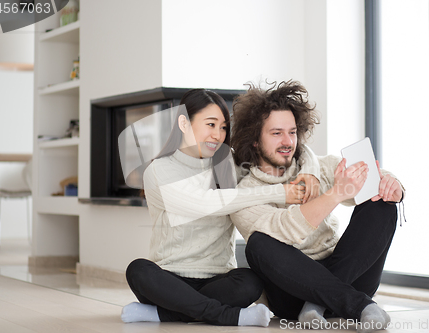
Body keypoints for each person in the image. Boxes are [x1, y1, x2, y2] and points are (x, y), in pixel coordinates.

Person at [121, 88, 321, 327]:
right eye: (210, 124)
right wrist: (280, 192)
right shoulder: (159, 170)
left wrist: (310, 173)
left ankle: (163, 314)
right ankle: (231, 316)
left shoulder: (228, 162)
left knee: (250, 281)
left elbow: (289, 149)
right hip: (169, 278)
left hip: (219, 278)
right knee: (139, 271)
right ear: (183, 123)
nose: (217, 135)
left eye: (223, 127)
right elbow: (204, 203)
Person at [230, 81, 405, 333]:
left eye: (292, 132)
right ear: (255, 140)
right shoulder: (245, 193)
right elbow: (287, 229)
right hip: (292, 292)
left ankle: (318, 304)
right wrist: (336, 194)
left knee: (382, 205)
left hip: (349, 276)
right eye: (276, 133)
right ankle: (355, 305)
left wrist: (393, 185)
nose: (288, 141)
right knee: (258, 244)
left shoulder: (318, 167)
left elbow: (375, 177)